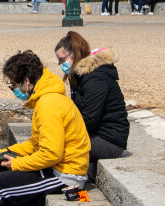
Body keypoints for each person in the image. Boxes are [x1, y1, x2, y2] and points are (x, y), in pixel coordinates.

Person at [0, 50, 90, 206]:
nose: (14, 90)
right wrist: (7, 151)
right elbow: (36, 142)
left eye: (14, 85)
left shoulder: (49, 105)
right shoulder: (44, 99)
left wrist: (17, 164)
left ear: (26, 81)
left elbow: (51, 154)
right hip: (54, 169)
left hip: (65, 177)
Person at [54, 32, 129, 180]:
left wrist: (65, 133)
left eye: (62, 60)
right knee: (52, 143)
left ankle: (72, 185)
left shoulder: (95, 77)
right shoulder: (80, 76)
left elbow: (90, 118)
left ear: (73, 54)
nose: (62, 65)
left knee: (57, 149)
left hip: (109, 139)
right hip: (95, 135)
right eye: (59, 62)